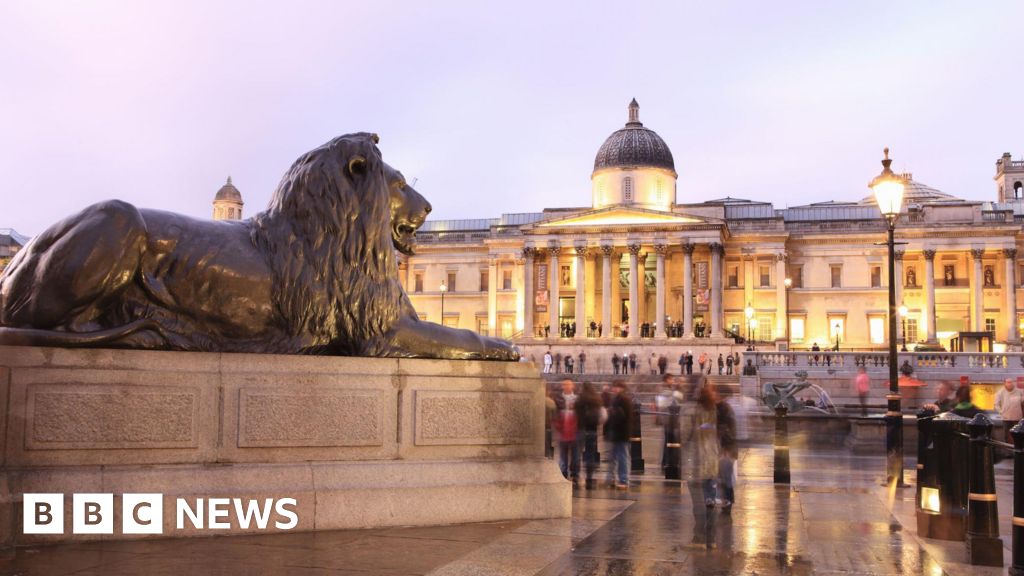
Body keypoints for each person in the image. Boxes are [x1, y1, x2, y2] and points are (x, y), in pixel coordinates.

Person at [684, 381, 720, 507]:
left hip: (705, 442)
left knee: (707, 471)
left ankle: (709, 497)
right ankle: (710, 497)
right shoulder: (708, 408)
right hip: (708, 442)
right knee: (709, 472)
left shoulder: (705, 408)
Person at [575, 382, 604, 490]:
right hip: (592, 430)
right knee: (590, 456)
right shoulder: (596, 400)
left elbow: (576, 413)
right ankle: (589, 479)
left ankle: (576, 477)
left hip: (581, 429)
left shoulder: (580, 400)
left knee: (577, 455)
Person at [605, 380, 633, 490]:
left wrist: (611, 412)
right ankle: (611, 478)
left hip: (621, 433)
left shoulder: (623, 399)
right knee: (613, 457)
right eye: (614, 387)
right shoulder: (616, 399)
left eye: (617, 387)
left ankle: (623, 480)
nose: (615, 389)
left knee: (622, 457)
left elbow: (625, 416)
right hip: (615, 432)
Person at [552, 380, 580, 485]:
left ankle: (575, 475)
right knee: (563, 456)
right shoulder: (558, 399)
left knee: (576, 456)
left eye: (569, 384)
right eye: (565, 384)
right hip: (562, 431)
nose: (567, 386)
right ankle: (563, 474)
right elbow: (555, 414)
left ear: (572, 386)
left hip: (575, 431)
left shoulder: (577, 399)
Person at [716, 389, 738, 512]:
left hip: (725, 446)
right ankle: (726, 499)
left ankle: (727, 499)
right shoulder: (726, 407)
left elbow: (727, 429)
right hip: (726, 445)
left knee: (725, 474)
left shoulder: (723, 408)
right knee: (724, 474)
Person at [995, 377, 1023, 443]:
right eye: (1008, 382)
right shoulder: (1000, 392)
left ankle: (1017, 448)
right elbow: (996, 404)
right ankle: (1007, 450)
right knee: (1007, 435)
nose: (1010, 384)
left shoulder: (1019, 391)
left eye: (1011, 382)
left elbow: (1022, 402)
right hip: (1006, 418)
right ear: (1004, 383)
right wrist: (1001, 412)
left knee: (1018, 434)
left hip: (1017, 417)